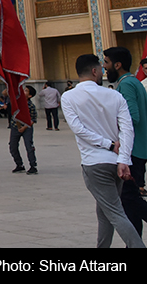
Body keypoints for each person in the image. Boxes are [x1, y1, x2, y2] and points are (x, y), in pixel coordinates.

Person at [60, 53, 145, 248]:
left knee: (114, 212)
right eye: (101, 69)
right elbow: (127, 129)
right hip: (115, 162)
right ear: (94, 71)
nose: (103, 72)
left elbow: (79, 130)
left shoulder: (69, 97)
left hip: (94, 163)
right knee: (105, 211)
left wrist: (107, 144)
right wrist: (123, 159)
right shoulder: (114, 94)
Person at [103, 46, 147, 236]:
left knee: (129, 198)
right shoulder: (133, 82)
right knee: (130, 201)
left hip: (133, 150)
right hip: (138, 149)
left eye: (106, 62)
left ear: (117, 64)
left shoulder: (127, 84)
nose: (104, 67)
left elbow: (132, 117)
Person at [9, 86, 38, 175]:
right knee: (12, 147)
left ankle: (33, 166)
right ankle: (19, 164)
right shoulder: (16, 102)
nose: (23, 92)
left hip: (27, 128)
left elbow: (33, 119)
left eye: (26, 91)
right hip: (15, 127)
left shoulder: (31, 106)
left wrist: (24, 127)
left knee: (29, 147)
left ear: (30, 95)